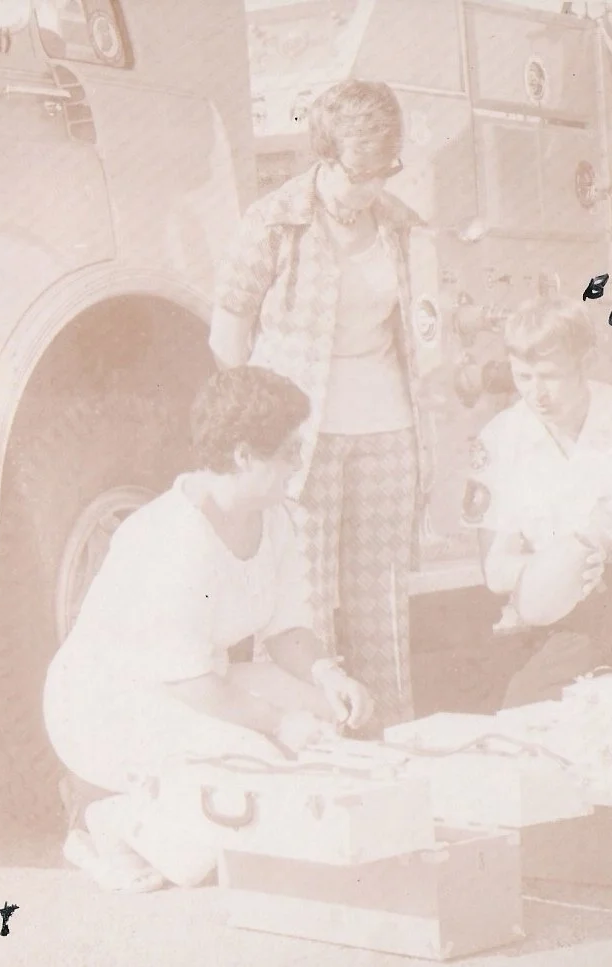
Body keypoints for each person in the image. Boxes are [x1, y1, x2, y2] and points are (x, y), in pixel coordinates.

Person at [42, 366, 375, 894]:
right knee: (265, 777)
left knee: (322, 723)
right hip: (105, 707)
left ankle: (163, 807)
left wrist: (327, 678)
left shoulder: (276, 519)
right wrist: (278, 723)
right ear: (244, 455)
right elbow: (189, 682)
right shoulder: (174, 539)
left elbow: (287, 629)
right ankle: (105, 820)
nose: (298, 464)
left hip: (196, 686)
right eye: (288, 451)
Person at [209, 79, 426, 732]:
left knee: (380, 600)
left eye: (382, 173)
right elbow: (228, 331)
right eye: (359, 174)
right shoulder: (272, 221)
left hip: (387, 425)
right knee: (300, 601)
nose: (370, 189)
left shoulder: (398, 224)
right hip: (301, 437)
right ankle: (298, 741)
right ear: (324, 156)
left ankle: (389, 739)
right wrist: (263, 417)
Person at [467, 297, 612, 709]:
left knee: (531, 703)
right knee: (499, 703)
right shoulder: (500, 438)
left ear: (585, 361)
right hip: (548, 613)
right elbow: (497, 570)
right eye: (524, 377)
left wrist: (596, 554)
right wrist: (565, 560)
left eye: (550, 376)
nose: (536, 393)